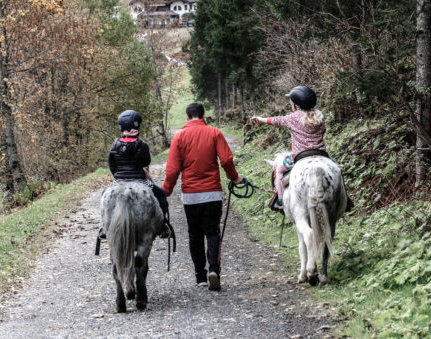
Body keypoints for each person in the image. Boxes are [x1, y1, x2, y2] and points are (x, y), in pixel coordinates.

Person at [163, 102, 243, 291]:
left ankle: (200, 276)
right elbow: (226, 160)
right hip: (212, 193)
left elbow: (173, 169)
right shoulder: (214, 133)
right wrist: (234, 177)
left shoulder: (179, 137)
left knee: (194, 234)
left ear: (187, 116)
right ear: (203, 115)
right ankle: (214, 270)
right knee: (213, 232)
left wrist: (165, 191)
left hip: (190, 196)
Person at [252, 85, 327, 212]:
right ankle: (345, 200)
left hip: (300, 157)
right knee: (336, 170)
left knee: (279, 170)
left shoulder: (293, 117)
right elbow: (323, 131)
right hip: (321, 155)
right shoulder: (319, 116)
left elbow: (276, 120)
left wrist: (261, 119)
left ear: (296, 105)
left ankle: (281, 201)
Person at [104, 109, 170, 239]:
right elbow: (146, 161)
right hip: (140, 180)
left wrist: (118, 175)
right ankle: (163, 225)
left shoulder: (114, 145)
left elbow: (112, 164)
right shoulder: (142, 145)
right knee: (161, 194)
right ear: (137, 125)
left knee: (104, 195)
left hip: (119, 180)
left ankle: (104, 227)